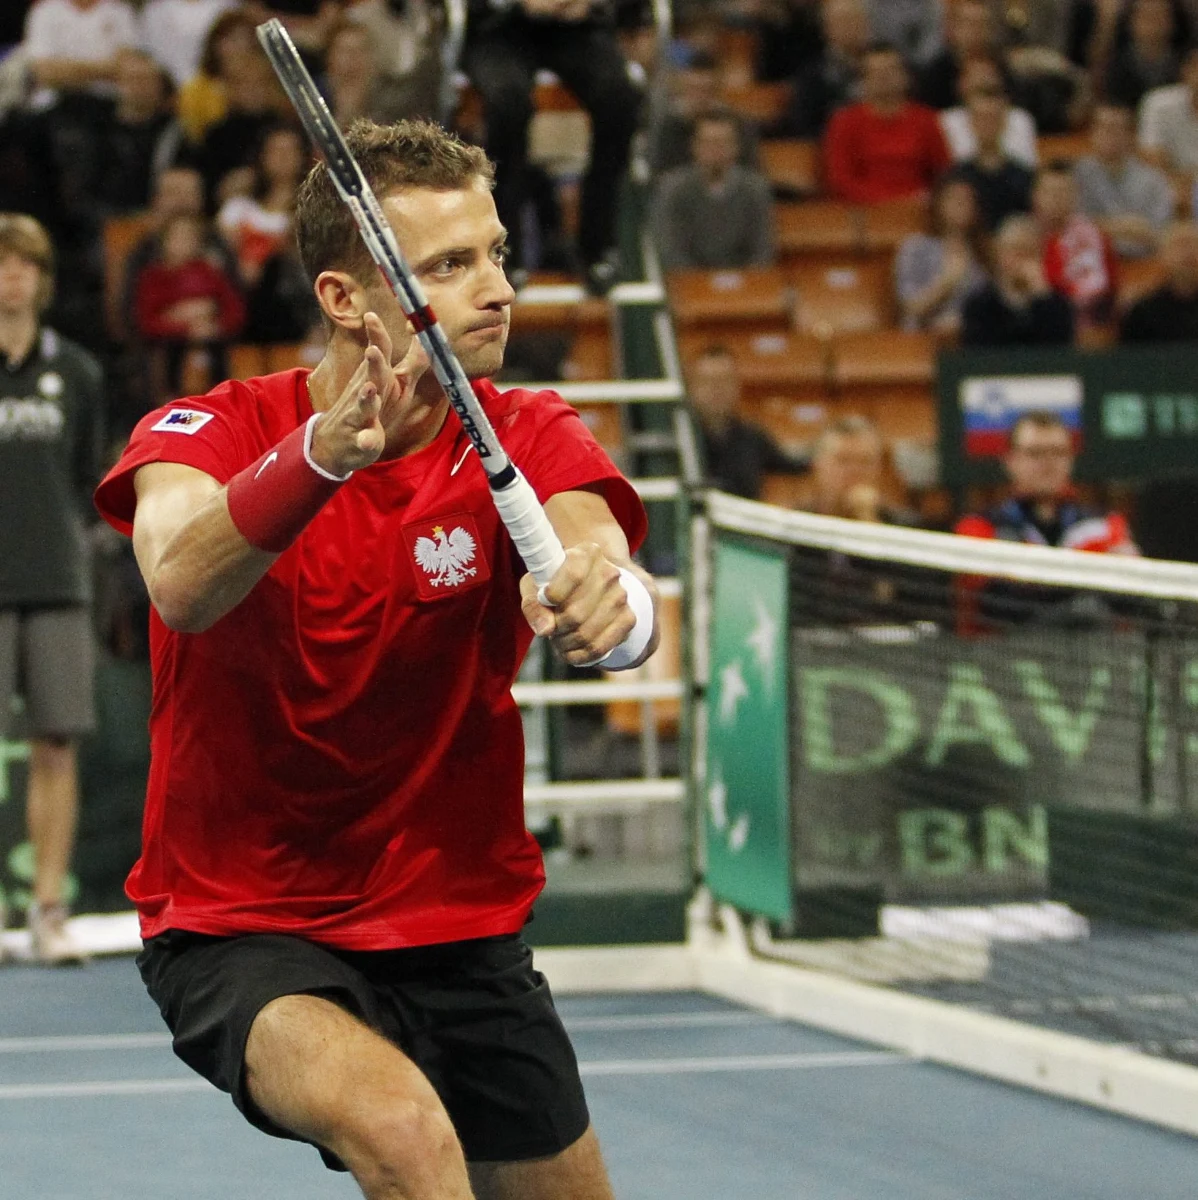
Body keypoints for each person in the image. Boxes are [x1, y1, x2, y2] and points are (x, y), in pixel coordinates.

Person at [92, 118, 657, 1199]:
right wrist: (314, 461)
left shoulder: (529, 430)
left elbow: (606, 568)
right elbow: (179, 583)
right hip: (243, 920)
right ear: (345, 299)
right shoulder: (208, 431)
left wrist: (613, 606)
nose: (497, 290)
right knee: (402, 1132)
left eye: (495, 254)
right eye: (448, 266)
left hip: (459, 922)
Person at [0, 213, 103, 965]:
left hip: (57, 581)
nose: (12, 277)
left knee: (56, 745)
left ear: (42, 280)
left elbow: (86, 477)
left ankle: (48, 910)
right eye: (3, 264)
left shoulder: (79, 374)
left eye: (25, 265)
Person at [461, 0, 642, 294]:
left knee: (620, 98)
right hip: (497, 29)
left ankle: (598, 248)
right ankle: (505, 247)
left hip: (574, 27)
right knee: (508, 104)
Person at [955, 410, 1137, 628]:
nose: (1048, 463)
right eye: (1035, 453)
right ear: (1011, 460)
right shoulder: (979, 527)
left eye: (1058, 452)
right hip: (1005, 644)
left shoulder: (1105, 525)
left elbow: (1126, 595)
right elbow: (995, 601)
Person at [133, 210, 246, 400]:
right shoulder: (154, 277)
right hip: (170, 347)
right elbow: (145, 322)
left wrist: (215, 327)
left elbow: (236, 312)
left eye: (191, 237)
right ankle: (170, 400)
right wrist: (186, 326)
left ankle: (218, 399)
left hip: (211, 342)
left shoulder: (211, 273)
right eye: (178, 236)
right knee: (167, 352)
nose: (185, 242)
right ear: (164, 241)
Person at [824, 42, 951, 205]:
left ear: (905, 76)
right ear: (863, 81)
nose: (883, 78)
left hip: (918, 207)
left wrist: (922, 199)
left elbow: (944, 172)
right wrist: (885, 202)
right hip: (865, 209)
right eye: (875, 73)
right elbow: (840, 179)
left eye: (890, 70)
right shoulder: (845, 122)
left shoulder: (926, 119)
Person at [652, 109, 775, 271]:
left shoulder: (755, 189)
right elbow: (671, 249)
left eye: (723, 142)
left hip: (745, 280)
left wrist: (745, 279)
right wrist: (700, 281)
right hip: (689, 280)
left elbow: (762, 247)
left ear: (736, 147)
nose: (716, 150)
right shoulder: (673, 189)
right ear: (694, 146)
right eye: (709, 142)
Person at [686, 343, 804, 499]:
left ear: (737, 385)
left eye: (724, 381)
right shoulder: (680, 440)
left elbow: (792, 464)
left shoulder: (753, 437)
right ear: (692, 388)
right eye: (708, 381)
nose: (717, 389)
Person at [1075, 102, 1174, 257]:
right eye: (1103, 128)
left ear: (1131, 135)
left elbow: (1161, 233)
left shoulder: (1154, 180)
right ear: (1092, 133)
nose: (1109, 135)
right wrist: (1124, 227)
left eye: (1117, 129)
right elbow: (1071, 227)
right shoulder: (1075, 175)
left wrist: (1101, 226)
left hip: (1144, 260)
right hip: (1089, 261)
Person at [895, 172, 989, 334]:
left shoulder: (985, 252)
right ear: (939, 204)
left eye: (967, 200)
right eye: (953, 198)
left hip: (973, 338)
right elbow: (910, 308)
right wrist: (946, 283)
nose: (960, 204)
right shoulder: (916, 248)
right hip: (924, 336)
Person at [961, 214, 1075, 346]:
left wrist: (1042, 297)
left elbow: (1058, 349)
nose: (1021, 259)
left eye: (1029, 251)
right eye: (1013, 251)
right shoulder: (979, 305)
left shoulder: (1058, 306)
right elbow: (982, 350)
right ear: (998, 254)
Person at [1033, 161, 1118, 326]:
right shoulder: (1019, 236)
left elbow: (1094, 292)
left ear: (1075, 196)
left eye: (1064, 192)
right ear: (1036, 195)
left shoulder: (1090, 237)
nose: (1057, 199)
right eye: (1050, 192)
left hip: (1077, 322)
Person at [771, 0, 870, 139]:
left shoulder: (889, 66)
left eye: (857, 20)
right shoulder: (813, 75)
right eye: (844, 21)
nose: (852, 27)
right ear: (827, 29)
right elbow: (805, 124)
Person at [21, 0, 138, 112]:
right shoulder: (44, 11)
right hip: (54, 104)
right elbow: (45, 73)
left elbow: (125, 69)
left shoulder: (119, 11)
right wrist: (105, 69)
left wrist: (65, 70)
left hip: (108, 102)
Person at [950, 84, 1035, 231]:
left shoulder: (1025, 178)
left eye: (993, 118)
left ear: (1004, 122)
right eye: (981, 118)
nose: (987, 125)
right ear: (970, 123)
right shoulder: (956, 178)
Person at [939, 58, 1038, 170]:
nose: (982, 79)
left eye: (987, 73)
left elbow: (1028, 165)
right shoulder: (947, 120)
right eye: (976, 75)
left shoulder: (1019, 118)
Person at [1121, 219, 1198, 339]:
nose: (1188, 253)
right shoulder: (1145, 311)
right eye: (1180, 245)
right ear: (1163, 255)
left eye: (1194, 245)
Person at [137, 0, 239, 90]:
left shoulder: (228, 5)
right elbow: (154, 54)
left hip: (220, 86)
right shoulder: (156, 10)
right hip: (171, 87)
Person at [1138, 44, 1198, 173]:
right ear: (1185, 70)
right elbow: (1151, 156)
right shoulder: (1158, 103)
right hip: (1168, 182)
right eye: (1195, 66)